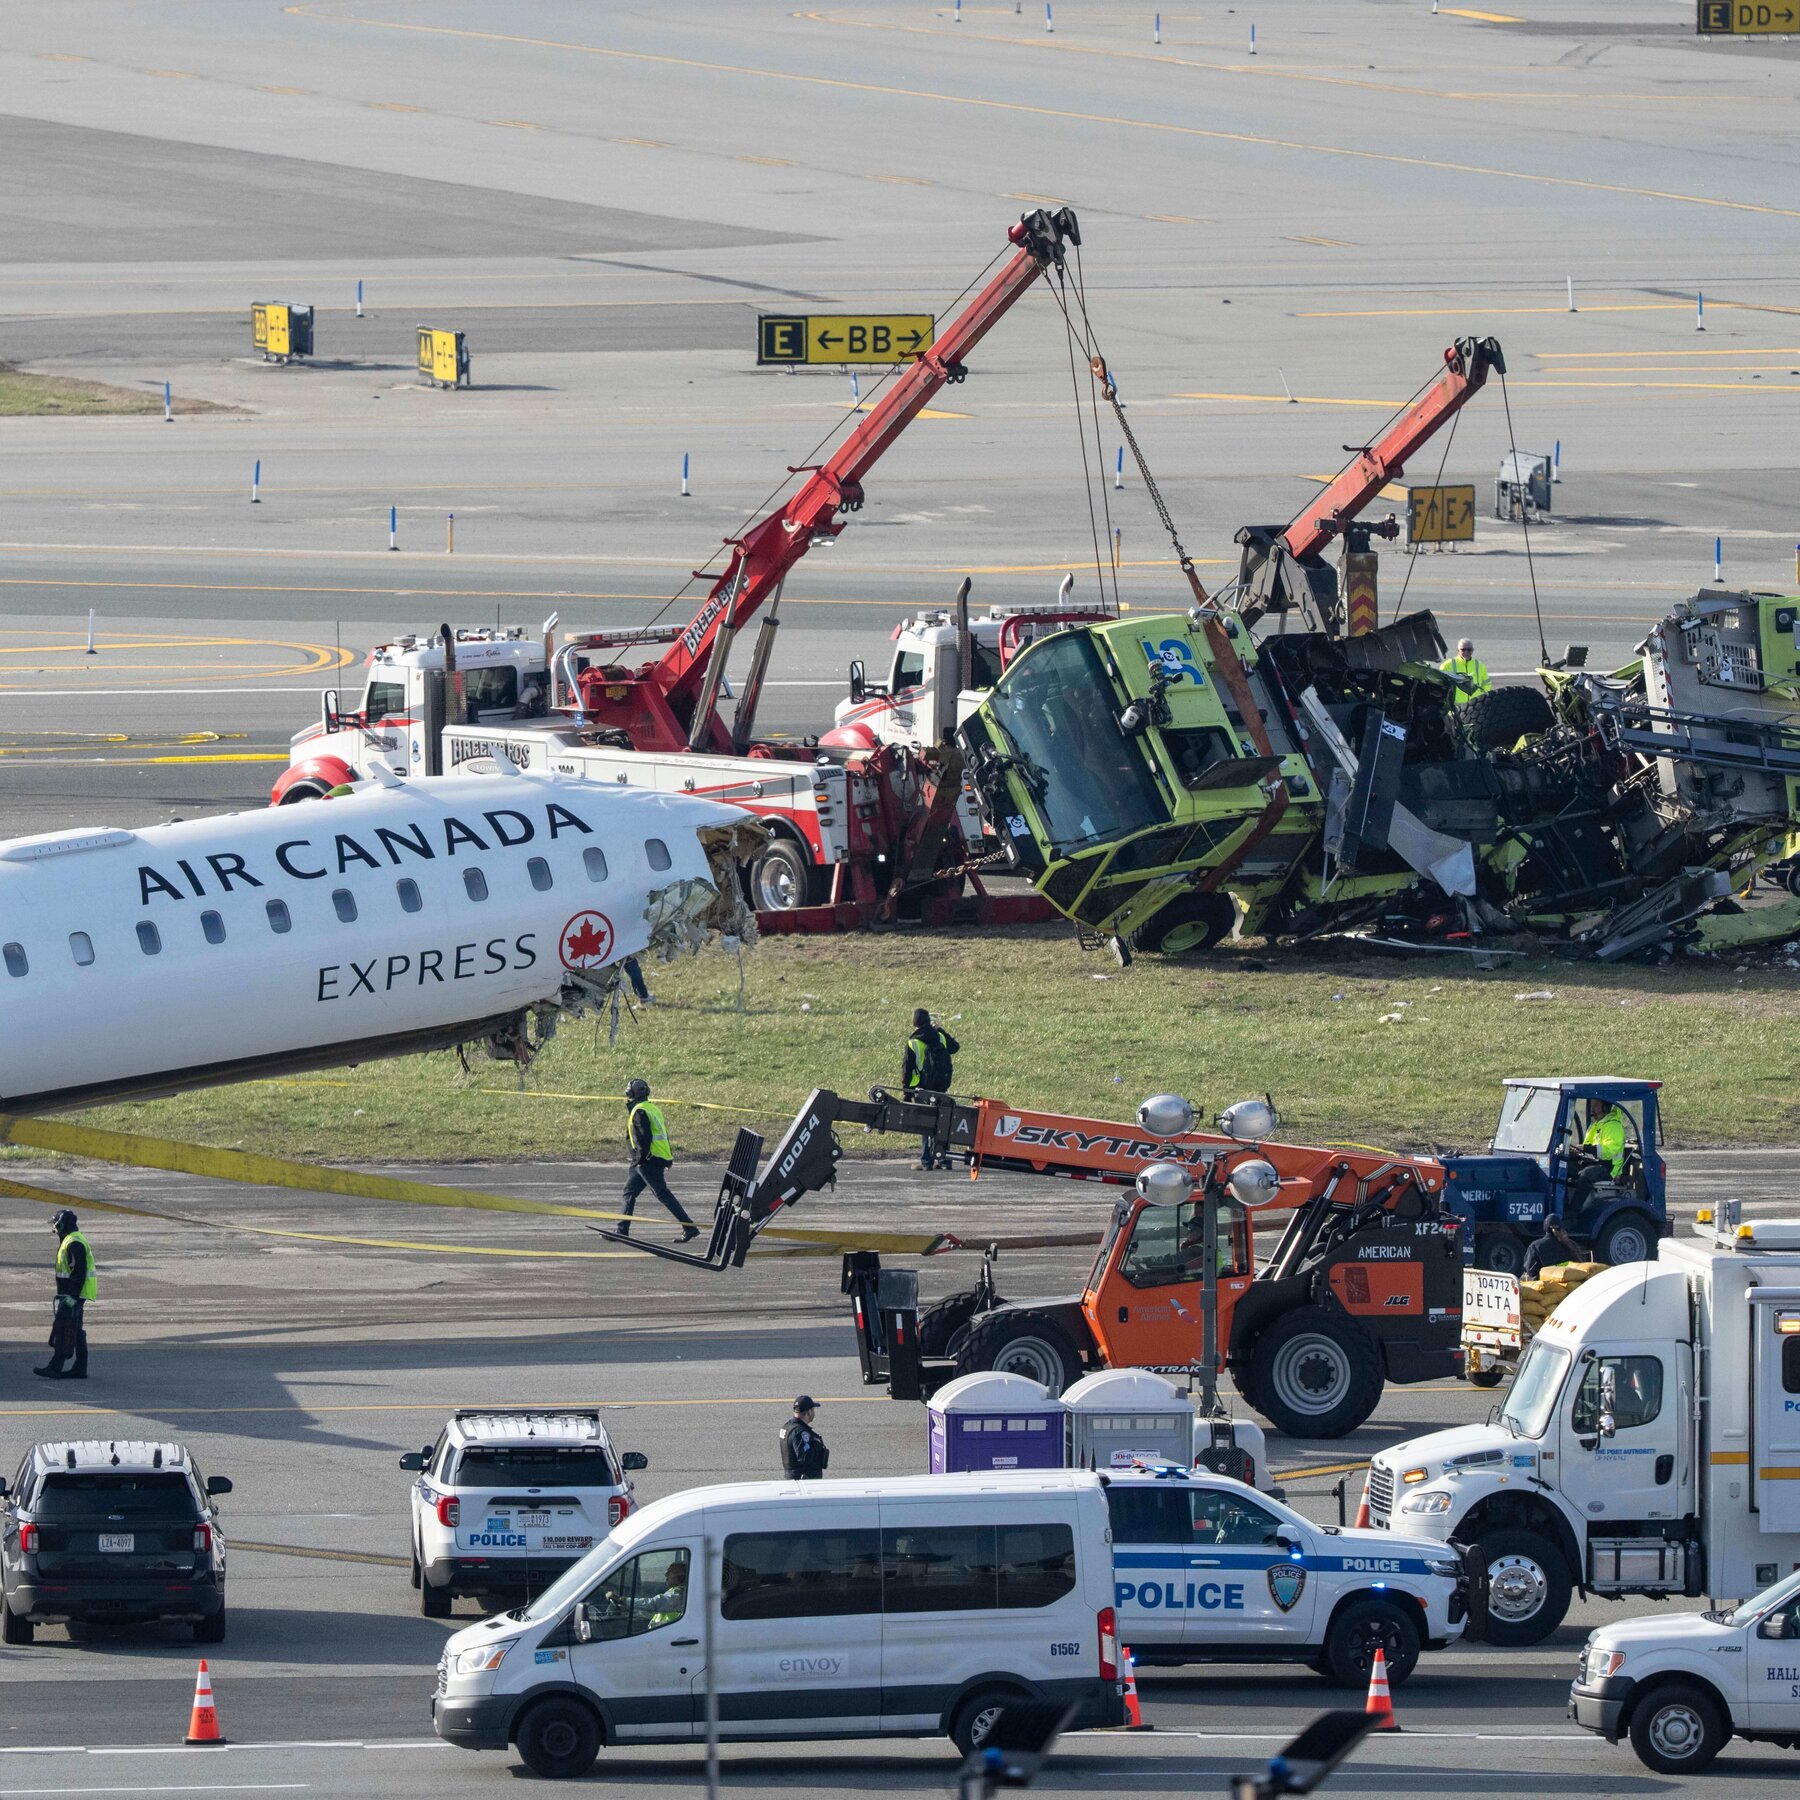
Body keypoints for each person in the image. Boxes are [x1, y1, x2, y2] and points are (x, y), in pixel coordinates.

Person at [619, 1079, 698, 1242]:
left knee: (662, 1194)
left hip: (647, 1161)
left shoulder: (640, 1111)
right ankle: (621, 1230)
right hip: (646, 1160)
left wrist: (641, 1160)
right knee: (629, 1192)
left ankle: (689, 1227)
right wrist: (667, 1159)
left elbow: (643, 1138)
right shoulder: (652, 1108)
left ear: (631, 1094)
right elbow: (664, 1135)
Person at [34, 1208, 95, 1381]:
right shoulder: (70, 1240)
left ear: (63, 1224)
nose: (54, 1227)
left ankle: (55, 1366)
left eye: (56, 1223)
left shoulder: (74, 1243)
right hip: (72, 1293)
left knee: (64, 1328)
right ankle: (80, 1367)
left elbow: (79, 1272)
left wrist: (72, 1296)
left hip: (74, 1294)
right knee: (76, 1329)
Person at [902, 1008, 960, 1171]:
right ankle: (944, 1160)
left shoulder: (913, 1042)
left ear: (915, 1023)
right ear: (928, 1021)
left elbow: (907, 1069)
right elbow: (955, 1047)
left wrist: (906, 1092)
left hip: (922, 1088)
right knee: (943, 1123)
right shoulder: (940, 1037)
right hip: (941, 1087)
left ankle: (926, 1161)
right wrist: (940, 1029)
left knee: (926, 1125)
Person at [778, 1396, 828, 1480]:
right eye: (813, 1410)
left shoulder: (787, 1427)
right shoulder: (800, 1432)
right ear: (808, 1412)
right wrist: (816, 1446)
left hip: (793, 1477)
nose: (814, 1413)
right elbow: (805, 1457)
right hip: (803, 1480)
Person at [1581, 1099, 1627, 1182]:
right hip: (1596, 1163)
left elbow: (1608, 1152)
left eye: (1596, 1105)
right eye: (1592, 1105)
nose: (1592, 1109)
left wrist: (1585, 1148)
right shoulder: (1595, 1125)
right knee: (1567, 1167)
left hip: (1610, 1169)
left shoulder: (1613, 1126)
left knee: (1586, 1175)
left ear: (1606, 1107)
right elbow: (1587, 1147)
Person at [1440, 637, 1491, 707]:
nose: (1466, 652)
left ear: (1472, 650)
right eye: (1463, 650)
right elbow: (1440, 685)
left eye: (1469, 649)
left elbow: (1487, 685)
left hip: (1475, 708)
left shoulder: (1480, 666)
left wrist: (1481, 699)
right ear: (1458, 651)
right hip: (1455, 709)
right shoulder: (1447, 665)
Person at [1523, 1215, 1579, 1279]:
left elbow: (1530, 1271)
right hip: (1568, 1284)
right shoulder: (1569, 1244)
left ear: (1545, 1227)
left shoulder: (1535, 1246)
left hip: (1545, 1285)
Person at [644, 1558, 690, 1630]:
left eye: (670, 1572)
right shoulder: (673, 1590)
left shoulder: (679, 1595)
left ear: (680, 1576)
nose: (666, 1575)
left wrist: (626, 1601)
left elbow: (653, 1604)